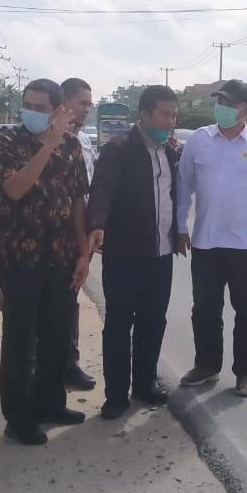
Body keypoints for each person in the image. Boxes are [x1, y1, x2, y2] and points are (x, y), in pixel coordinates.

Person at [0, 79, 90, 445]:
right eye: (28, 105)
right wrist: (46, 147)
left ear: (59, 110)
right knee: (20, 339)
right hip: (19, 257)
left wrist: (83, 254)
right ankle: (17, 417)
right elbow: (15, 188)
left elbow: (78, 201)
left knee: (56, 335)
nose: (32, 111)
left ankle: (50, 402)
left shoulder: (74, 146)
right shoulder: (5, 142)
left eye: (41, 106)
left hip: (61, 255)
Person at [175, 80, 247, 397]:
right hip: (206, 241)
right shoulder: (198, 141)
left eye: (229, 103)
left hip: (246, 244)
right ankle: (207, 365)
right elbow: (184, 186)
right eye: (219, 100)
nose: (221, 107)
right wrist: (181, 226)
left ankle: (245, 372)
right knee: (205, 309)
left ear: (246, 110)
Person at [86, 85, 180, 419]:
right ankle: (115, 395)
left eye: (173, 114)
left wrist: (179, 232)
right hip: (125, 254)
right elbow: (102, 189)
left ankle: (145, 383)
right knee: (119, 323)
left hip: (160, 252)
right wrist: (96, 223)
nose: (170, 121)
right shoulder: (119, 149)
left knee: (154, 320)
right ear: (144, 114)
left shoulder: (169, 151)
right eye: (164, 114)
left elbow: (172, 197)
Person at [60, 77, 97, 391]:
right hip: (49, 235)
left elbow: (89, 190)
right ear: (64, 102)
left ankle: (68, 363)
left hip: (81, 232)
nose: (86, 109)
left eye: (89, 104)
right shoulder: (44, 137)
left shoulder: (84, 141)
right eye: (81, 103)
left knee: (71, 298)